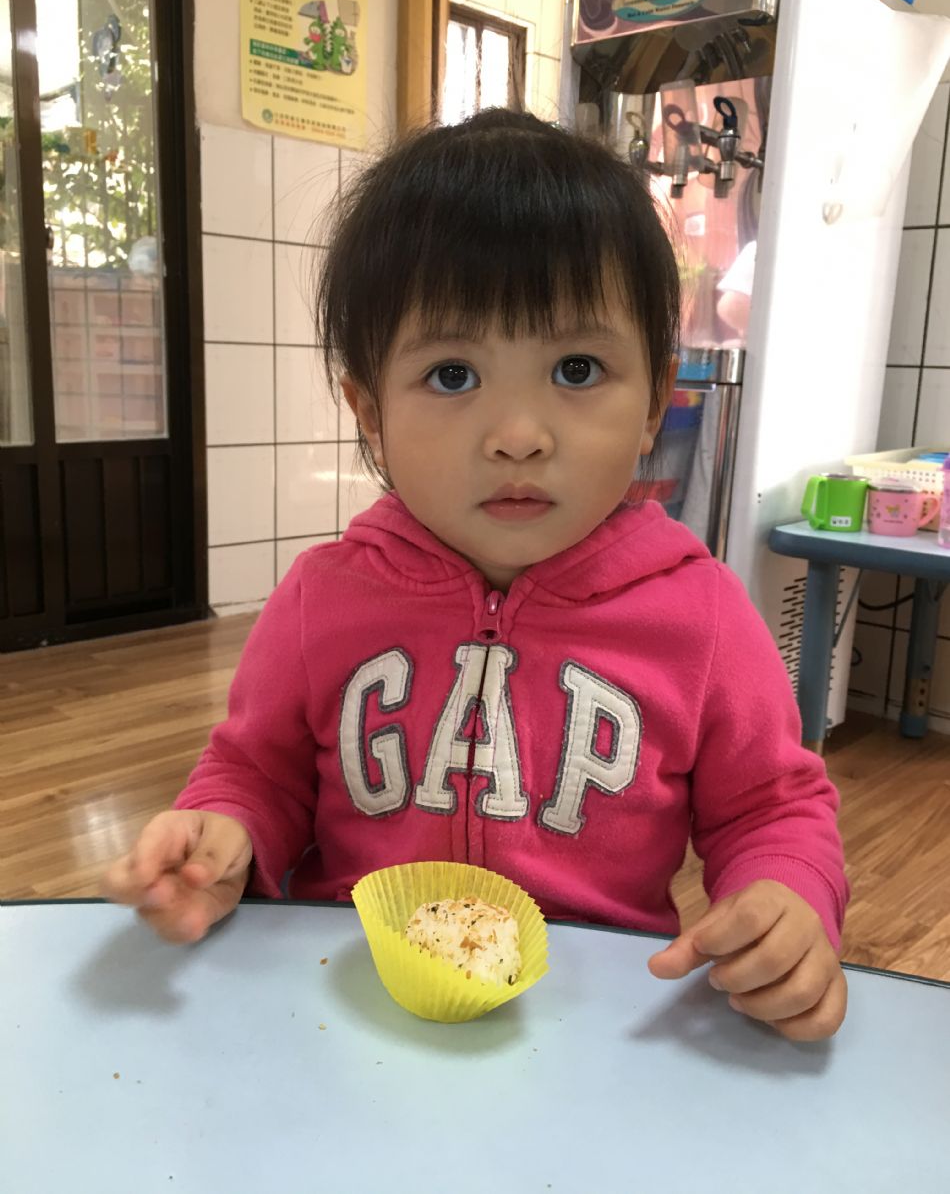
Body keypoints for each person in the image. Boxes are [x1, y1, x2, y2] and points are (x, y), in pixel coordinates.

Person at [102, 109, 848, 1042]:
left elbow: (772, 809)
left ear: (656, 399)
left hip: (590, 1025)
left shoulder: (700, 616)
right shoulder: (321, 600)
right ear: (369, 412)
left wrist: (789, 897)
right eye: (453, 375)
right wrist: (223, 830)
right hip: (347, 1003)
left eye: (577, 367)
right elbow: (257, 772)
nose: (519, 435)